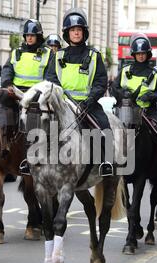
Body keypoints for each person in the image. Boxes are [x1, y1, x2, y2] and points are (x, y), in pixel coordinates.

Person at [46, 8, 113, 176]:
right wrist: (59, 98)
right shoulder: (58, 55)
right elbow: (51, 79)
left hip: (87, 105)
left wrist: (89, 101)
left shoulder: (94, 55)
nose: (76, 33)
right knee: (38, 124)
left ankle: (106, 163)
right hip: (62, 104)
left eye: (79, 30)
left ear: (84, 33)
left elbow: (100, 82)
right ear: (67, 34)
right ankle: (33, 161)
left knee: (104, 127)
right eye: (73, 30)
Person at [110, 33, 157, 172]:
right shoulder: (125, 71)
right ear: (133, 54)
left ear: (148, 54)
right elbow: (114, 88)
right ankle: (107, 162)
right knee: (108, 129)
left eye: (143, 53)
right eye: (138, 53)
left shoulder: (154, 73)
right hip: (126, 111)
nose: (140, 56)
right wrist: (123, 95)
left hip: (148, 111)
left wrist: (152, 96)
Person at [1, 18, 51, 175]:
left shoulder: (48, 54)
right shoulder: (16, 52)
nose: (29, 38)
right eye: (27, 35)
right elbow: (7, 69)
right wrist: (8, 84)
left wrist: (39, 92)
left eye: (32, 35)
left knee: (34, 118)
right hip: (16, 92)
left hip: (36, 94)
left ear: (39, 37)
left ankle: (33, 154)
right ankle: (3, 144)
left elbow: (50, 76)